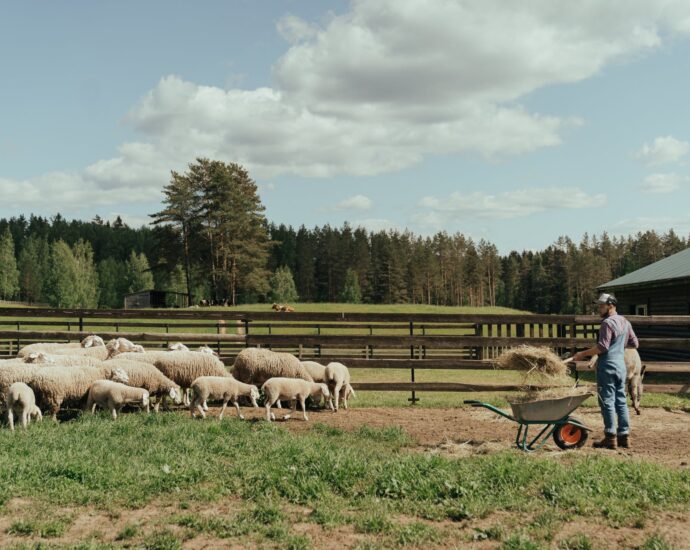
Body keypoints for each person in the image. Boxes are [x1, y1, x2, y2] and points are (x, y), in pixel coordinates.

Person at [572, 293, 639, 449]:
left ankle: (610, 437)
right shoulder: (625, 322)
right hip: (620, 367)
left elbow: (602, 347)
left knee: (607, 401)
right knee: (621, 400)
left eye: (602, 306)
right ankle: (624, 436)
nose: (599, 309)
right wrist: (619, 348)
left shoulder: (607, 324)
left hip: (607, 367)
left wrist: (582, 354)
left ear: (611, 305)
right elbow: (634, 343)